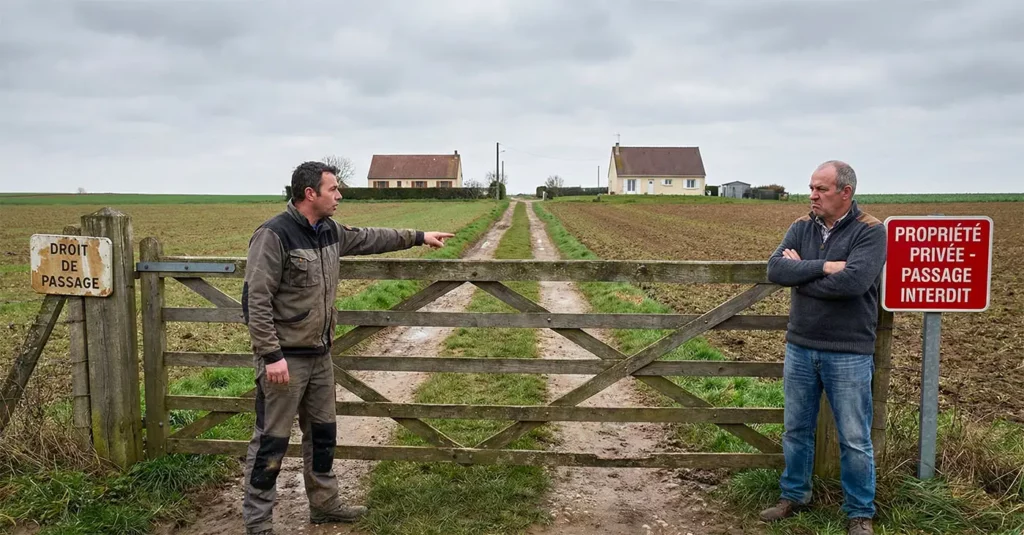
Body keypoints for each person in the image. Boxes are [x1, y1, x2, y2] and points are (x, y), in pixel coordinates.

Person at [240, 161, 454, 535]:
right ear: (310, 194)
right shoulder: (274, 235)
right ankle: (258, 523)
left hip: (320, 356)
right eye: (333, 189)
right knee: (271, 441)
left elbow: (372, 238)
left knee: (323, 434)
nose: (339, 196)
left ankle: (324, 506)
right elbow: (255, 301)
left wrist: (419, 236)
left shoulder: (330, 231)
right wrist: (271, 355)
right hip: (284, 359)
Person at [760, 161, 887, 535]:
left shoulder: (871, 231)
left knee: (853, 436)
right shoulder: (801, 225)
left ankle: (859, 512)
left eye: (821, 189)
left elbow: (853, 283)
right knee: (796, 428)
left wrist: (804, 276)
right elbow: (775, 269)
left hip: (849, 350)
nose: (812, 195)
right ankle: (794, 495)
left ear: (845, 192)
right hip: (801, 346)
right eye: (811, 188)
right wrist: (826, 266)